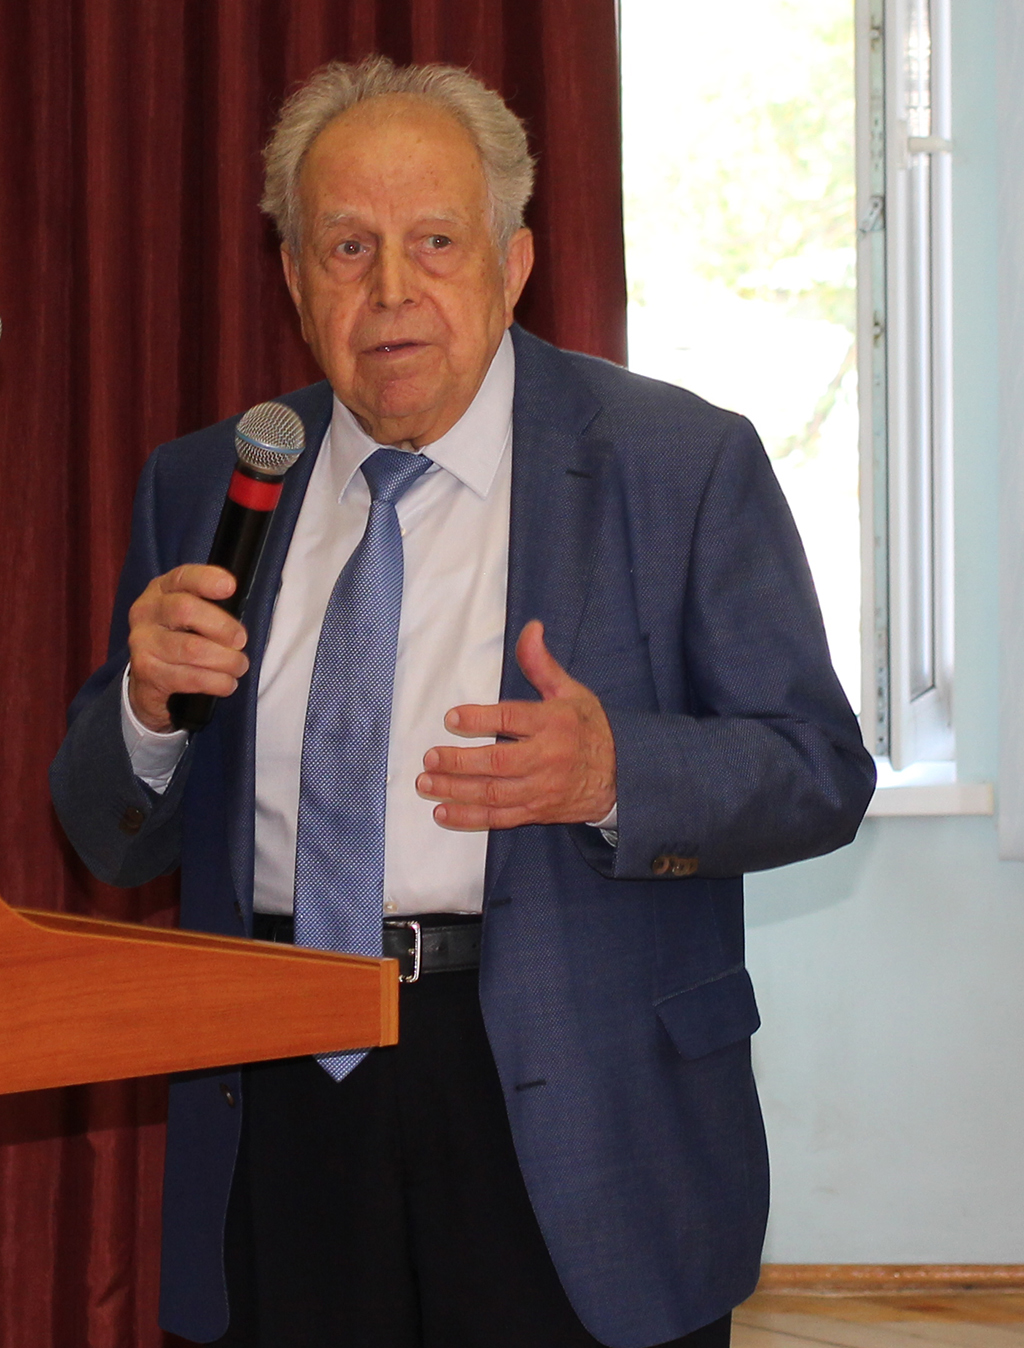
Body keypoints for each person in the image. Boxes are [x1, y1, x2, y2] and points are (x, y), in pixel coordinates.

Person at [51, 55, 875, 1348]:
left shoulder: (677, 464)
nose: (391, 289)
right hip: (281, 1096)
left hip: (570, 1092)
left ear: (515, 260)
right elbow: (109, 836)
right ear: (293, 278)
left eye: (434, 241)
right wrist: (147, 714)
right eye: (348, 246)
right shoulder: (207, 483)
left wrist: (614, 773)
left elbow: (819, 771)